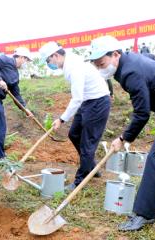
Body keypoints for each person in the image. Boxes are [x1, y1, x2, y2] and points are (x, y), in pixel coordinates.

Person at [87, 35, 155, 231]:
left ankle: (143, 215)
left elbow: (142, 113)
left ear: (116, 54)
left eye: (102, 63)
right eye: (96, 65)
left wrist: (123, 138)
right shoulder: (127, 65)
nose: (100, 68)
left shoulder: (130, 71)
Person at [39, 42, 111, 191]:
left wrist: (61, 119)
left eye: (48, 60)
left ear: (56, 55)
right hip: (87, 101)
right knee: (74, 134)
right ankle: (91, 165)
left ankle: (80, 181)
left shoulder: (75, 67)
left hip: (98, 102)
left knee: (87, 143)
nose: (49, 64)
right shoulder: (69, 63)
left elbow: (76, 98)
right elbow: (80, 98)